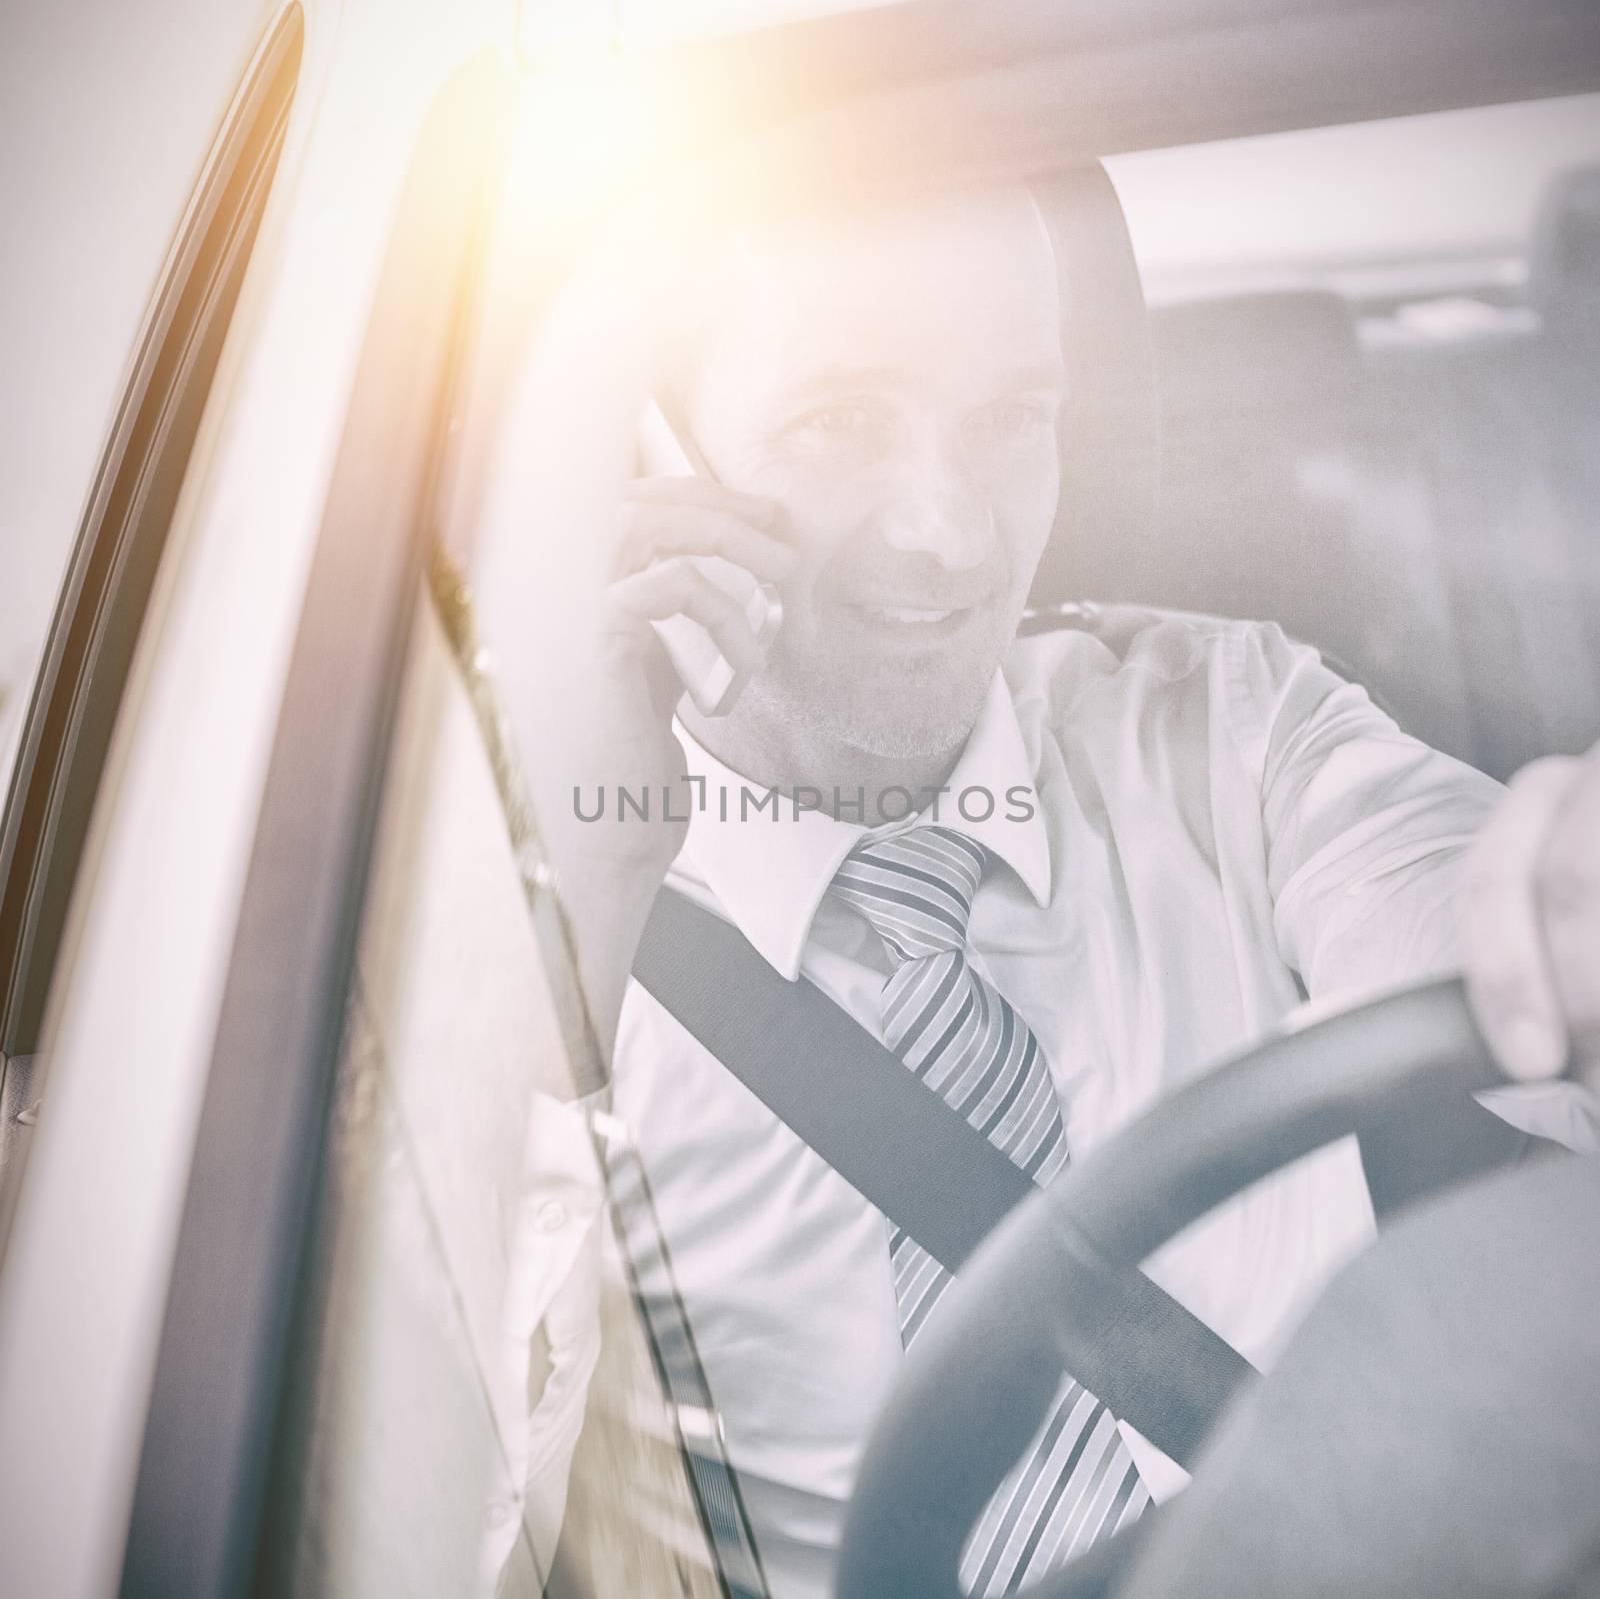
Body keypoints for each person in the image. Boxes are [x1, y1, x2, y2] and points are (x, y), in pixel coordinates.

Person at [505, 184, 1600, 1597]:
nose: (951, 532)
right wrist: (580, 905)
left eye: (1011, 416)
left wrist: (1567, 909)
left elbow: (1478, 924)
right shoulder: (513, 938)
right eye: (841, 421)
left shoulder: (1228, 725)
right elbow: (422, 1514)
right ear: (653, 459)